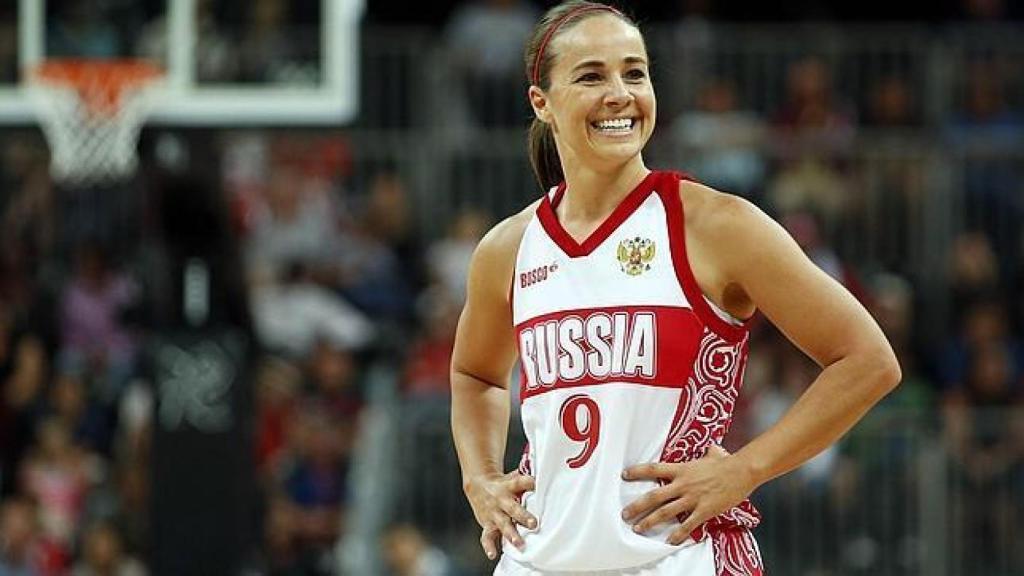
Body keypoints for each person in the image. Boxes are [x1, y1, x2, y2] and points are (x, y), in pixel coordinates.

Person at [449, 2, 902, 575]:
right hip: (537, 557)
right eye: (592, 76)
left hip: (681, 556)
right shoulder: (508, 248)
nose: (619, 93)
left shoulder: (716, 224)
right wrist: (479, 477)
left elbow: (868, 359)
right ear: (542, 103)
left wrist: (746, 469)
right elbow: (475, 375)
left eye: (634, 72)